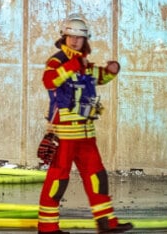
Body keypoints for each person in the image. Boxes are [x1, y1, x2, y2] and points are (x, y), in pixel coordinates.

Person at [37, 14, 132, 234]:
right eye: (71, 36)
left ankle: (106, 222)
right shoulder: (58, 60)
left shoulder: (84, 61)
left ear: (85, 40)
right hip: (64, 134)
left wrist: (111, 71)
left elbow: (95, 77)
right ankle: (48, 228)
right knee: (58, 180)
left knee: (97, 175)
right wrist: (72, 65)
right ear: (64, 36)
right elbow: (49, 80)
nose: (75, 41)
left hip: (86, 133)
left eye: (79, 38)